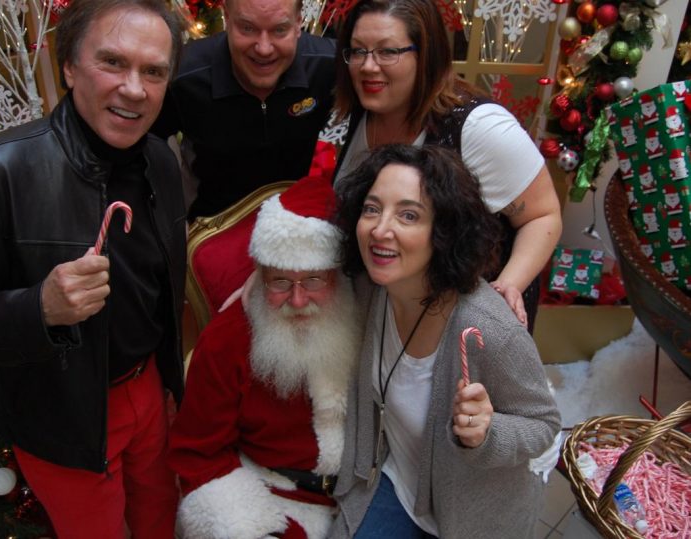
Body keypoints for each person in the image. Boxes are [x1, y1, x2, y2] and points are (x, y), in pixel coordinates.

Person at [0, 1, 186, 537]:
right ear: (69, 65)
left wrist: (167, 384)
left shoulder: (162, 161)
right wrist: (40, 308)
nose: (134, 89)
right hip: (63, 416)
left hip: (148, 390)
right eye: (112, 62)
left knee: (162, 519)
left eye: (153, 71)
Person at [329, 144, 561, 538]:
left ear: (443, 232)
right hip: (399, 483)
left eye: (408, 215)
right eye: (371, 209)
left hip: (474, 516)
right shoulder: (371, 288)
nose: (380, 229)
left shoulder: (486, 328)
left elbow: (544, 425)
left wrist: (488, 432)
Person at [332, 0, 562, 329]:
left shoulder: (479, 127)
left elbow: (542, 215)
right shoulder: (361, 112)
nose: (368, 66)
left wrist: (506, 288)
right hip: (388, 322)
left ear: (426, 55)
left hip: (463, 328)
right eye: (358, 51)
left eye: (388, 51)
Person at [167, 174, 362, 538]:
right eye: (280, 281)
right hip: (273, 499)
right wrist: (248, 527)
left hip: (363, 497)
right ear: (259, 274)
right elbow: (199, 456)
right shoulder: (227, 339)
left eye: (314, 280)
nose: (298, 300)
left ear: (337, 275)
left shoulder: (370, 315)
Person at [153, 0, 337, 220]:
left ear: (298, 23)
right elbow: (142, 150)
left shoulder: (331, 65)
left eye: (279, 30)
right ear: (227, 18)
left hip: (301, 221)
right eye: (248, 28)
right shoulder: (182, 77)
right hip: (212, 225)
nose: (264, 49)